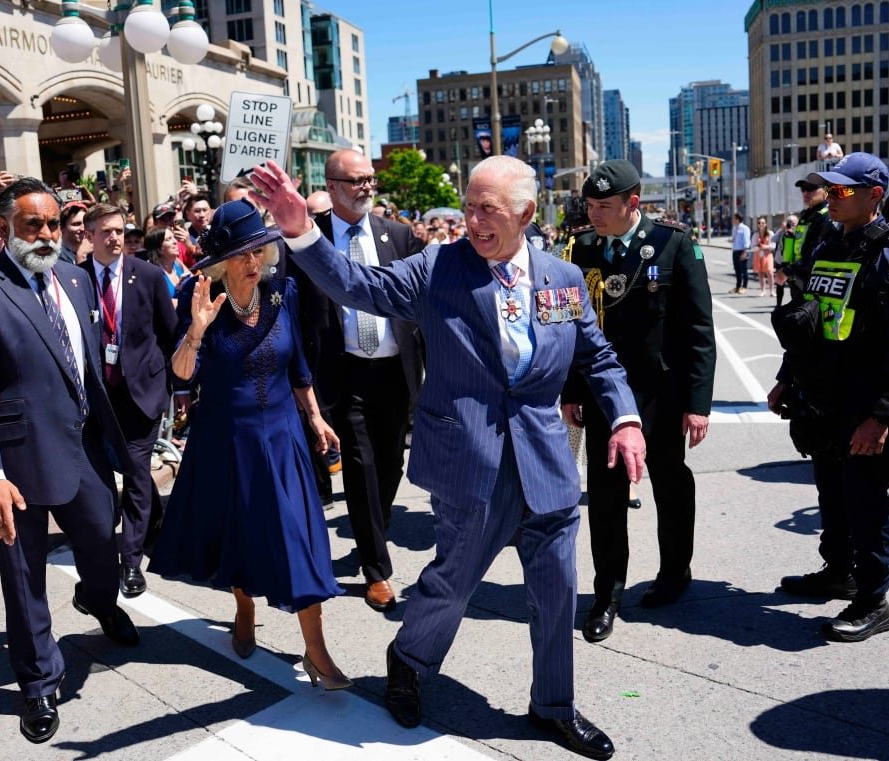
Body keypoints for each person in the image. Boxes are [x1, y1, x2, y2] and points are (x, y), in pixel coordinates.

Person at [252, 157, 645, 760]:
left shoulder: (563, 277)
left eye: (488, 209)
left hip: (546, 464)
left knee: (559, 591)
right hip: (471, 460)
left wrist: (624, 418)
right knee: (453, 583)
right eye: (468, 206)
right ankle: (407, 661)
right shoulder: (439, 267)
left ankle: (553, 706)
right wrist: (302, 231)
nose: (474, 220)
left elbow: (598, 359)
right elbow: (362, 287)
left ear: (526, 214)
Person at [0, 178, 137, 744]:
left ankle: (97, 600)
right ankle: (37, 683)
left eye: (53, 224)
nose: (47, 235)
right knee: (23, 576)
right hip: (17, 462)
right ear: (3, 226)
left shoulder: (75, 278)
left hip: (86, 449)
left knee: (104, 543)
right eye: (34, 225)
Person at [149, 199, 351, 689]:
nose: (252, 262)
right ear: (221, 262)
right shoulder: (197, 299)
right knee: (237, 535)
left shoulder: (284, 292)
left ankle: (317, 650)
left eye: (259, 250)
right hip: (226, 440)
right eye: (241, 254)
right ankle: (243, 607)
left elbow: (298, 360)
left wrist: (316, 417)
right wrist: (195, 331)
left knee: (298, 537)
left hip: (282, 438)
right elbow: (182, 375)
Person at [559, 160, 716, 646]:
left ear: (633, 203)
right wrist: (570, 391)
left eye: (604, 206)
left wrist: (697, 403)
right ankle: (607, 593)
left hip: (661, 395)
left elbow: (696, 330)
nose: (594, 214)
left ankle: (674, 572)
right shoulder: (579, 249)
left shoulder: (673, 244)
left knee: (670, 483)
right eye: (589, 205)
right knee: (605, 498)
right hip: (606, 396)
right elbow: (567, 329)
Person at [768, 153, 889, 642]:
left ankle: (873, 600)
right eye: (832, 191)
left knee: (866, 500)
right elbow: (810, 321)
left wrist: (883, 415)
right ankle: (838, 571)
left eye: (844, 192)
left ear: (874, 196)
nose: (833, 199)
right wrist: (788, 378)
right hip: (823, 395)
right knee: (831, 490)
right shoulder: (826, 243)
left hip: (866, 402)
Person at [294, 148, 425, 613]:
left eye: (370, 178)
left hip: (395, 372)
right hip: (341, 372)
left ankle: (374, 532)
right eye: (355, 181)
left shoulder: (399, 236)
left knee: (390, 465)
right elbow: (294, 311)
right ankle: (377, 570)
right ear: (331, 187)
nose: (367, 187)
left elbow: (420, 305)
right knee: (361, 464)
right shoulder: (310, 240)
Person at [79, 203, 177, 597]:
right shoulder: (75, 279)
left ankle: (131, 563)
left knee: (137, 475)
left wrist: (171, 386)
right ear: (89, 235)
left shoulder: (148, 276)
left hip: (141, 394)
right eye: (105, 231)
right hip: (97, 398)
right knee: (102, 477)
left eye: (119, 230)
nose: (115, 238)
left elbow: (169, 335)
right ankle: (149, 527)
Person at [780, 180, 831, 302]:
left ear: (826, 191)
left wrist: (787, 271)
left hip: (814, 279)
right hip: (799, 277)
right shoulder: (807, 214)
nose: (806, 193)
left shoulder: (825, 215)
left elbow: (815, 252)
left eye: (811, 189)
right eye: (803, 190)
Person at [143, 225, 189, 306]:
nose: (175, 241)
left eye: (173, 237)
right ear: (158, 247)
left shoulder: (177, 263)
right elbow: (163, 305)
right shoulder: (150, 271)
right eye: (168, 239)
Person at [729, 212, 751, 294]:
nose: (733, 220)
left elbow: (747, 241)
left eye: (734, 218)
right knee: (737, 270)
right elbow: (734, 239)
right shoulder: (735, 228)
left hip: (742, 251)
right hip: (735, 250)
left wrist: (745, 252)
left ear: (738, 219)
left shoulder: (744, 228)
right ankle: (738, 286)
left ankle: (744, 286)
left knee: (744, 270)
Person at [753, 216, 775, 296]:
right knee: (760, 273)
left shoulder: (770, 233)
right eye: (759, 223)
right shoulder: (756, 234)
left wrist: (766, 247)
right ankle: (763, 290)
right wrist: (757, 247)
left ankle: (772, 290)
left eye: (762, 223)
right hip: (758, 255)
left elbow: (773, 245)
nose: (761, 224)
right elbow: (752, 245)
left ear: (765, 224)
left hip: (767, 254)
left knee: (770, 272)